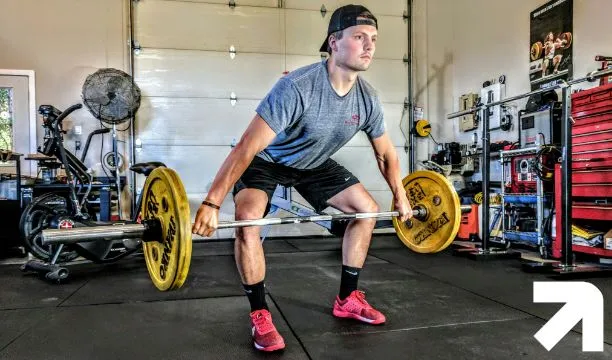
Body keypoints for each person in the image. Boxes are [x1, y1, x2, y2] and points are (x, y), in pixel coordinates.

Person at [192, 4, 413, 352]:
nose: (369, 46)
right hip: (266, 162)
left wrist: (400, 195)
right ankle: (260, 313)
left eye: (373, 39)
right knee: (248, 220)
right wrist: (211, 202)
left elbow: (386, 153)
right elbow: (247, 148)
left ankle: (347, 298)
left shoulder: (367, 97)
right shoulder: (297, 87)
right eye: (359, 37)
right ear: (334, 42)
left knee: (366, 211)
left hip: (314, 164)